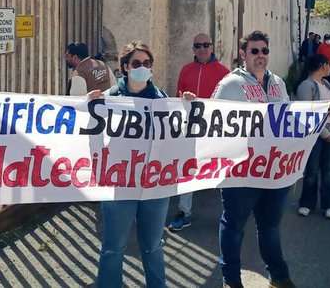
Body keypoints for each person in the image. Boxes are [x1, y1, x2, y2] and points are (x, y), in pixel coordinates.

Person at [89, 41, 194, 288]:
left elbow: (180, 135)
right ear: (124, 67)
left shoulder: (163, 101)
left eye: (147, 63)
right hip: (119, 185)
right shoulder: (109, 99)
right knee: (113, 248)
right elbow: (90, 136)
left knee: (153, 246)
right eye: (136, 63)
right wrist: (88, 106)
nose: (142, 68)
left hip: (154, 186)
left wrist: (188, 108)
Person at [212, 31, 296, 288]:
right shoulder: (230, 84)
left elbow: (288, 119)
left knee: (270, 227)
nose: (261, 56)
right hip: (241, 173)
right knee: (234, 227)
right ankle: (231, 281)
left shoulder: (278, 84)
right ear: (243, 54)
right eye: (255, 51)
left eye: (264, 51)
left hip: (274, 171)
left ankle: (279, 277)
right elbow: (211, 122)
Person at [167, 33, 229, 232]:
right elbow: (178, 98)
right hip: (191, 129)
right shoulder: (186, 70)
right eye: (198, 45)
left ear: (212, 47)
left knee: (221, 170)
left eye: (206, 45)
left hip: (215, 131)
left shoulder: (224, 72)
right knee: (188, 169)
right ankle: (184, 213)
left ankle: (229, 214)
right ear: (193, 49)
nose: (202, 48)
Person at [294, 55, 330, 220]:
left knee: (328, 171)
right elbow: (306, 114)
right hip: (315, 135)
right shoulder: (306, 86)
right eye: (329, 64)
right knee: (312, 171)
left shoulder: (327, 85)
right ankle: (306, 203)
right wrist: (324, 134)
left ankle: (329, 205)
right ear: (322, 65)